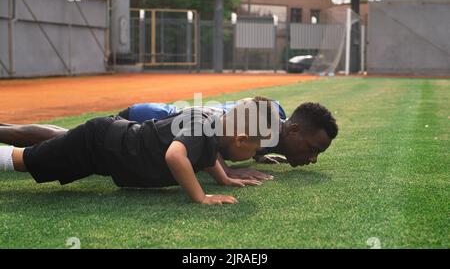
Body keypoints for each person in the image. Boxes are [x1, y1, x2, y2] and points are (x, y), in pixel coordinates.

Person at [0, 98, 278, 205]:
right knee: (25, 160)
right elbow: (175, 156)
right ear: (241, 140)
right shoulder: (203, 127)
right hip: (98, 143)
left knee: (33, 159)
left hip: (107, 148)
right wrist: (201, 196)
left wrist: (224, 179)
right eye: (257, 147)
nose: (256, 153)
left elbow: (205, 156)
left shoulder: (213, 130)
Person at [0, 101, 338, 177]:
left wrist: (259, 157)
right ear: (291, 130)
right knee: (71, 138)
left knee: (73, 140)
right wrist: (225, 172)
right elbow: (214, 137)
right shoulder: (258, 123)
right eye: (312, 149)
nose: (311, 159)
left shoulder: (268, 133)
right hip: (158, 118)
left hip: (182, 122)